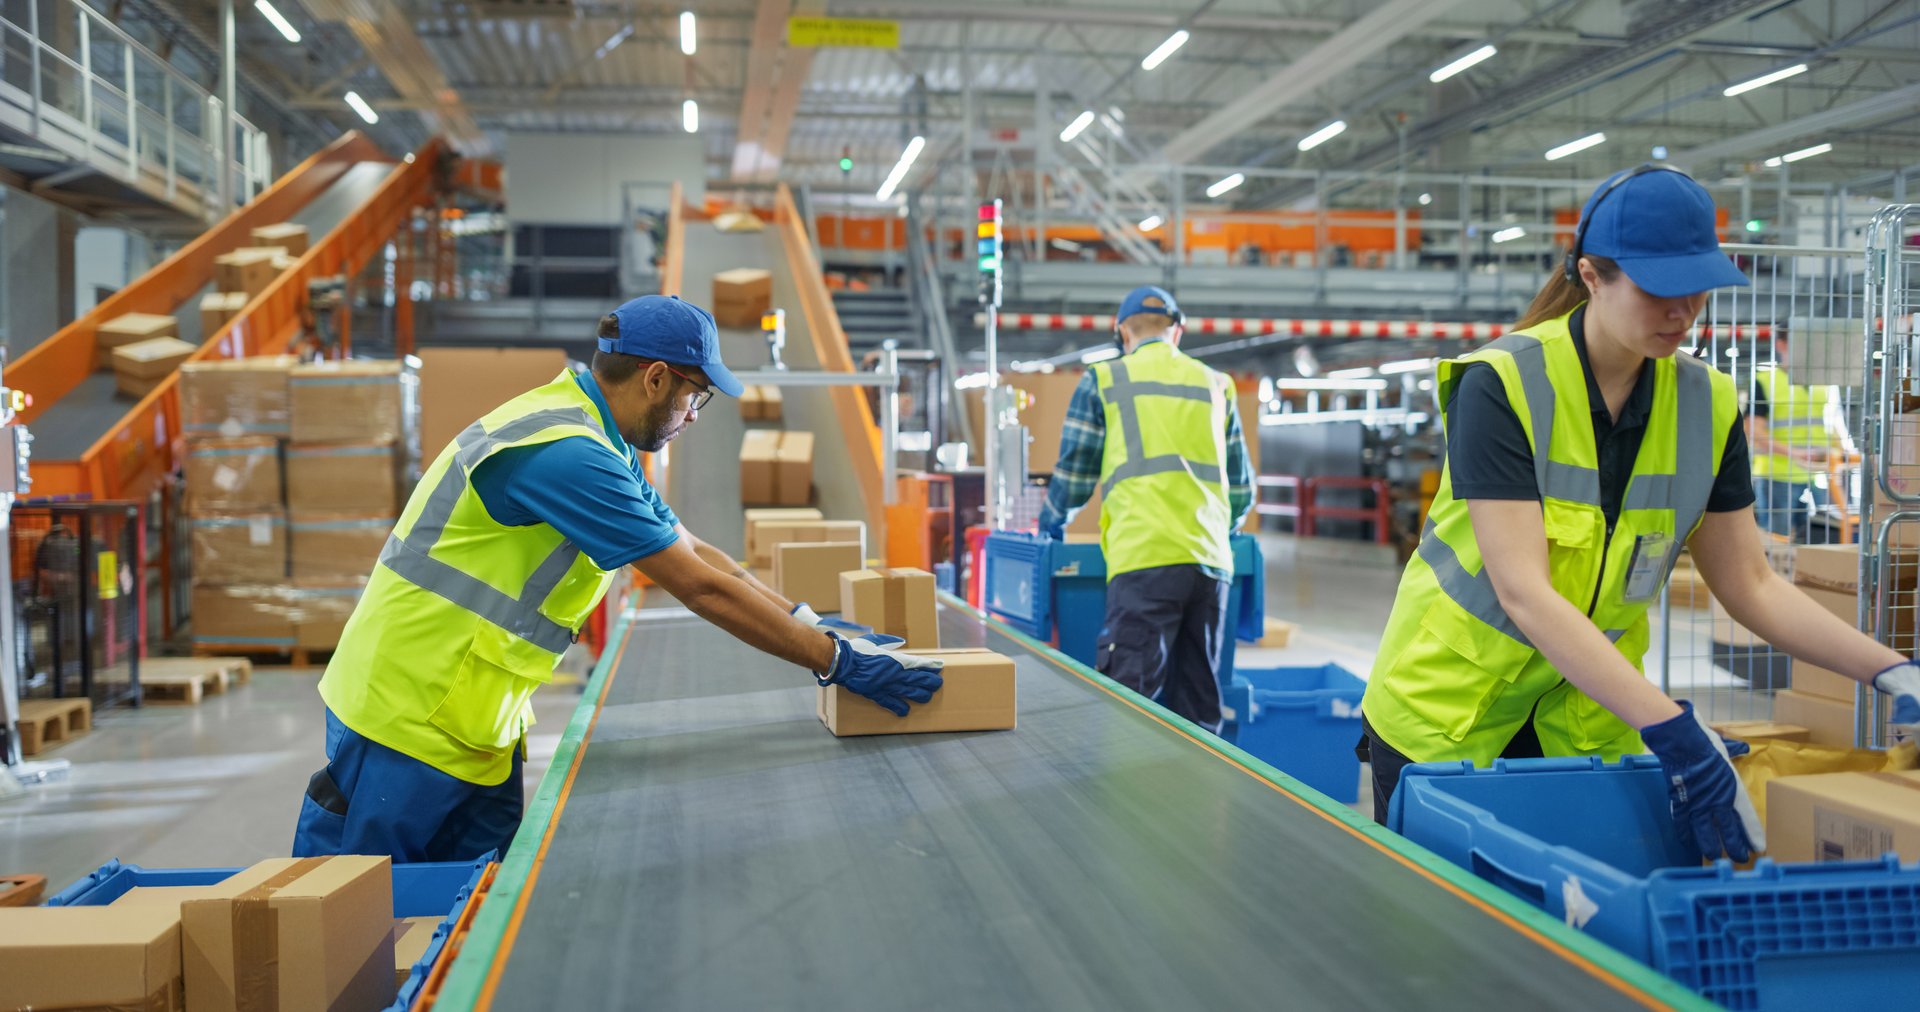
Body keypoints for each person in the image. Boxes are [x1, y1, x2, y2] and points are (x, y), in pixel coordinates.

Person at [1359, 165, 1920, 864]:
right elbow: (1523, 592)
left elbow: (1750, 583)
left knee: (1575, 938)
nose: (1684, 313)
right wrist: (1676, 732)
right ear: (1592, 276)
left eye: (1698, 291)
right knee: (1441, 947)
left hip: (1584, 725)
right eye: (1660, 291)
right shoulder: (1501, 386)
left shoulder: (1708, 406)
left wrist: (1891, 670)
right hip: (1447, 715)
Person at [292, 294, 944, 863]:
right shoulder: (569, 453)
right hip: (406, 715)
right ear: (656, 378)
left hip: (477, 717)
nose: (696, 415)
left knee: (467, 923)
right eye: (698, 396)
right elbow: (698, 587)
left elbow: (699, 552)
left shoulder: (600, 438)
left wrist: (809, 622)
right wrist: (834, 663)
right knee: (369, 921)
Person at [1036, 286, 1254, 733]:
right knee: (1199, 707)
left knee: (1132, 707)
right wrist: (1216, 529)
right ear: (1178, 332)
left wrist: (1050, 523)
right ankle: (1196, 800)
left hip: (1144, 560)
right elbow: (1242, 490)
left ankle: (1131, 800)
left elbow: (1075, 474)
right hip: (1211, 566)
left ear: (1122, 332)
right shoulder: (1217, 384)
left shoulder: (1104, 379)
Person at [1748, 331, 1841, 542]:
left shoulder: (1826, 383)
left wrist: (1843, 457)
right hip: (1777, 475)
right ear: (1781, 344)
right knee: (1775, 540)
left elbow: (1835, 425)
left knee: (1823, 537)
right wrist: (1796, 453)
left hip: (1821, 475)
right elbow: (1753, 430)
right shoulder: (1765, 381)